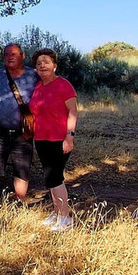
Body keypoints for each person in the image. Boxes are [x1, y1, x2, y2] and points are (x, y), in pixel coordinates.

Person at [0, 43, 38, 205]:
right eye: (6, 54)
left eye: (14, 54)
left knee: (22, 170)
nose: (10, 57)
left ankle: (20, 203)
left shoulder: (34, 76)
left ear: (22, 56)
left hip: (23, 133)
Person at [29, 48, 78, 232]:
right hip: (41, 138)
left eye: (46, 62)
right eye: (39, 63)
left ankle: (65, 218)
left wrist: (69, 137)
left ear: (54, 65)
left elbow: (72, 112)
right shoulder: (38, 86)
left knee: (55, 177)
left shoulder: (64, 86)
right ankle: (56, 212)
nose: (42, 66)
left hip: (59, 139)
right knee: (49, 177)